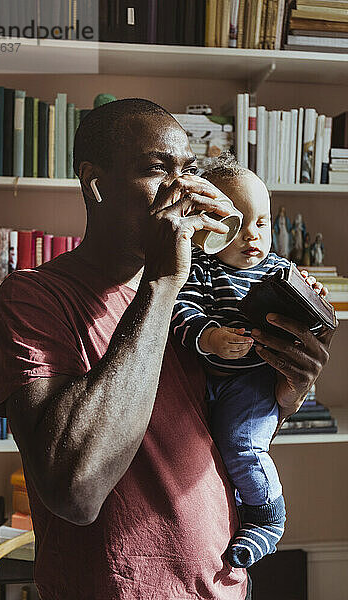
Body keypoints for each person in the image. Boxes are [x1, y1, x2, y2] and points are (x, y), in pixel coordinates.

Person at [0, 99, 335, 600]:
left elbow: (212, 432)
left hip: (225, 584)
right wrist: (164, 279)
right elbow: (74, 490)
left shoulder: (209, 294)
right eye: (157, 169)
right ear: (96, 183)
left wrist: (288, 387)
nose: (183, 189)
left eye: (189, 170)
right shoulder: (33, 297)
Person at [171, 153, 330, 570]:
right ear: (208, 227)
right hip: (208, 379)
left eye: (261, 223)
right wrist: (210, 336)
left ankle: (267, 518)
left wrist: (310, 298)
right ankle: (242, 513)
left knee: (242, 445)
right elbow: (182, 313)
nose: (251, 237)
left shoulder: (278, 270)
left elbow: (304, 325)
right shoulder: (200, 269)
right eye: (235, 225)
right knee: (212, 451)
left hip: (255, 380)